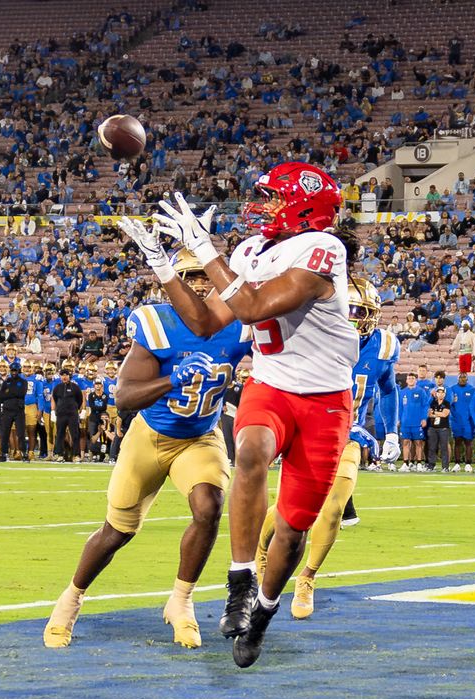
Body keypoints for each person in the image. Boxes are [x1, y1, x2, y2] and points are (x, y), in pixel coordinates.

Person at [137, 166, 359, 668]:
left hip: (325, 401)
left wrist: (208, 251)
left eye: (274, 198)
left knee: (294, 529)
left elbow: (256, 307)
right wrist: (166, 266)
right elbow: (204, 320)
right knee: (252, 450)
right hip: (271, 385)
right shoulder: (249, 251)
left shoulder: (324, 248)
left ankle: (261, 611)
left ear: (306, 206)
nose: (263, 207)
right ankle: (240, 580)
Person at [44, 251, 250, 649]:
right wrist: (172, 379)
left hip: (200, 437)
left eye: (209, 276)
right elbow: (124, 396)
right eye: (193, 277)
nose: (204, 285)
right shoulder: (158, 323)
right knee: (116, 532)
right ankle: (70, 599)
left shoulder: (240, 324)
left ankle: (181, 601)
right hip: (151, 436)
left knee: (209, 506)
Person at [255, 274, 399, 620]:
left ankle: (307, 578)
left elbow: (389, 388)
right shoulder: (313, 335)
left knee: (334, 508)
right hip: (311, 429)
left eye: (362, 311)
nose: (355, 318)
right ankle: (260, 555)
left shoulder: (383, 345)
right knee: (295, 507)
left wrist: (390, 432)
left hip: (348, 439)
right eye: (349, 309)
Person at [0, 362, 29, 462]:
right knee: (5, 432)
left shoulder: (23, 381)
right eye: (12, 370)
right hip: (7, 410)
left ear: (19, 371)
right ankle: (3, 453)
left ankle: (23, 452)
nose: (14, 372)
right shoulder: (7, 381)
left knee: (21, 433)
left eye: (15, 370)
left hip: (19, 410)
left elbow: (21, 393)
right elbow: (1, 395)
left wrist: (9, 393)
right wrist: (12, 394)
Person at [398, 372, 430, 470]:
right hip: (405, 422)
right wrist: (399, 419)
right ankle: (405, 463)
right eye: (409, 378)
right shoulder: (402, 392)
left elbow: (425, 406)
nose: (411, 380)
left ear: (416, 380)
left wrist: (424, 418)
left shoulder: (421, 391)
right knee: (405, 442)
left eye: (412, 378)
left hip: (417, 422)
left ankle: (419, 463)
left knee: (418, 442)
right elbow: (399, 407)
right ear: (406, 380)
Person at [50, 367, 83, 461]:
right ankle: (59, 454)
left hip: (72, 414)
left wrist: (75, 409)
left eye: (66, 375)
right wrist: (54, 411)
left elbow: (79, 400)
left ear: (69, 376)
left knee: (75, 434)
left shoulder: (75, 387)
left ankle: (76, 455)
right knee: (59, 434)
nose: (64, 377)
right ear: (60, 376)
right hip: (61, 414)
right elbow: (55, 399)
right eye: (62, 375)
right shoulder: (57, 388)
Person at [426, 384, 451, 472]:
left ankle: (445, 467)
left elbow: (445, 414)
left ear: (444, 394)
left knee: (444, 447)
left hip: (443, 428)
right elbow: (429, 414)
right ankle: (431, 466)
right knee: (432, 447)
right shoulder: (433, 403)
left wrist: (434, 413)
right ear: (436, 394)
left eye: (442, 392)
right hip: (433, 427)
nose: (440, 394)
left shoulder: (447, 403)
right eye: (438, 392)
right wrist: (436, 413)